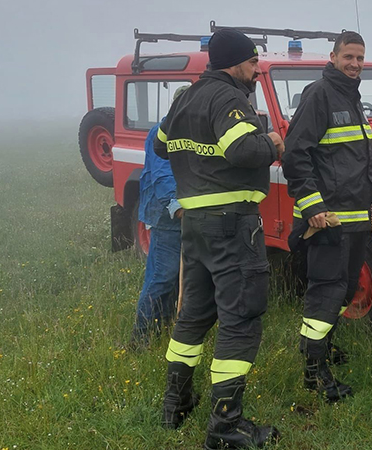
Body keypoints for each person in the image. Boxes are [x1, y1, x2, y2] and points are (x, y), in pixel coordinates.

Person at [154, 28, 285, 449]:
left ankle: (175, 403)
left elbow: (161, 145)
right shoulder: (230, 99)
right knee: (240, 319)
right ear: (234, 63)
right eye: (252, 63)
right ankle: (225, 425)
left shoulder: (185, 97)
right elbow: (243, 151)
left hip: (195, 224)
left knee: (193, 314)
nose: (256, 70)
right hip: (232, 225)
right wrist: (273, 143)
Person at [281, 31, 372, 403]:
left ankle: (322, 348)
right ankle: (314, 373)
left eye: (360, 58)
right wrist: (314, 207)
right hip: (329, 221)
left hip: (355, 220)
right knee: (325, 292)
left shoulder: (352, 98)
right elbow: (295, 154)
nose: (355, 64)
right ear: (334, 56)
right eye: (348, 57)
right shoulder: (320, 95)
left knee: (343, 289)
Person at [129, 86, 188, 349]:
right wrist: (177, 207)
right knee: (161, 276)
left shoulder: (191, 132)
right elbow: (162, 176)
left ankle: (162, 329)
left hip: (183, 212)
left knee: (176, 277)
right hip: (165, 215)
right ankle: (139, 340)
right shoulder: (161, 133)